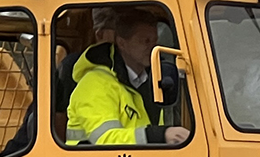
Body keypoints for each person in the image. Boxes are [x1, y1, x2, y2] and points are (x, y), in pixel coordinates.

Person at [66, 8, 191, 147]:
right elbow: (105, 140)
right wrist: (160, 135)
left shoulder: (153, 81)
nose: (152, 47)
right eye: (145, 41)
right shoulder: (93, 85)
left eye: (155, 41)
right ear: (122, 43)